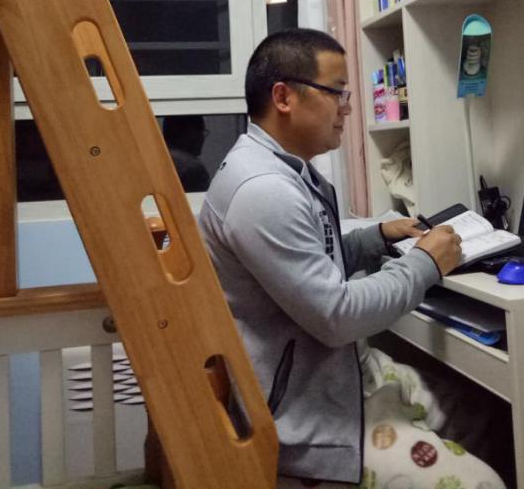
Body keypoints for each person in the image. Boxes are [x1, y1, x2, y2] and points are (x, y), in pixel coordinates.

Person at [199, 29, 504, 487]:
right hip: (307, 419)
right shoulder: (263, 192)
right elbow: (337, 316)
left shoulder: (280, 169)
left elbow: (308, 262)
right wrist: (425, 263)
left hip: (334, 379)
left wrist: (374, 238)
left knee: (485, 414)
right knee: (482, 482)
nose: (347, 107)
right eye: (336, 91)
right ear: (283, 97)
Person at [162, 114, 211, 192]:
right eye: (202, 132)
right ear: (192, 134)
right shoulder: (193, 169)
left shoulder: (152, 159)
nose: (202, 138)